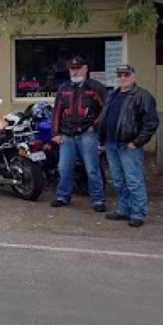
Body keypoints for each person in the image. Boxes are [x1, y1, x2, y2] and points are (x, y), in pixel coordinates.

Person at [99, 64, 159, 227]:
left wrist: (137, 142)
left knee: (133, 180)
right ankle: (123, 210)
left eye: (126, 74)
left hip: (129, 146)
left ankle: (138, 213)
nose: (123, 78)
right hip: (111, 144)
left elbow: (151, 123)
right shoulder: (112, 95)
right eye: (120, 75)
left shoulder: (143, 96)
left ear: (133, 76)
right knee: (118, 180)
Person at [50, 56, 109, 211]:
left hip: (87, 134)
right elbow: (56, 111)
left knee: (92, 168)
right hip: (67, 135)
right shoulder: (64, 88)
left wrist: (96, 126)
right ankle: (63, 196)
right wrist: (55, 133)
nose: (75, 71)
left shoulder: (95, 87)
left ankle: (98, 200)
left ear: (85, 69)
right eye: (72, 69)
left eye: (78, 68)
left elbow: (106, 108)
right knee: (64, 168)